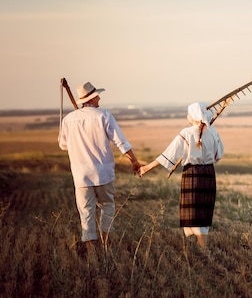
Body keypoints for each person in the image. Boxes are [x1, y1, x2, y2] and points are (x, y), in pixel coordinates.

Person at [58, 81, 142, 249]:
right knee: (108, 205)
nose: (100, 98)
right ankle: (106, 244)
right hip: (103, 172)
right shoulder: (103, 115)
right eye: (98, 96)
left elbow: (63, 145)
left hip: (81, 175)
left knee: (86, 212)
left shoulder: (68, 119)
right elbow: (121, 142)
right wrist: (134, 161)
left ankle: (91, 251)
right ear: (93, 97)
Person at [138, 102, 224, 248]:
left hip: (192, 174)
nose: (187, 116)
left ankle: (203, 248)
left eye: (188, 113)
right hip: (209, 173)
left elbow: (168, 154)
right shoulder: (213, 132)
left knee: (194, 212)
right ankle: (199, 246)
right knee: (203, 210)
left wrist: (147, 167)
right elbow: (218, 156)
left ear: (194, 115)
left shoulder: (186, 133)